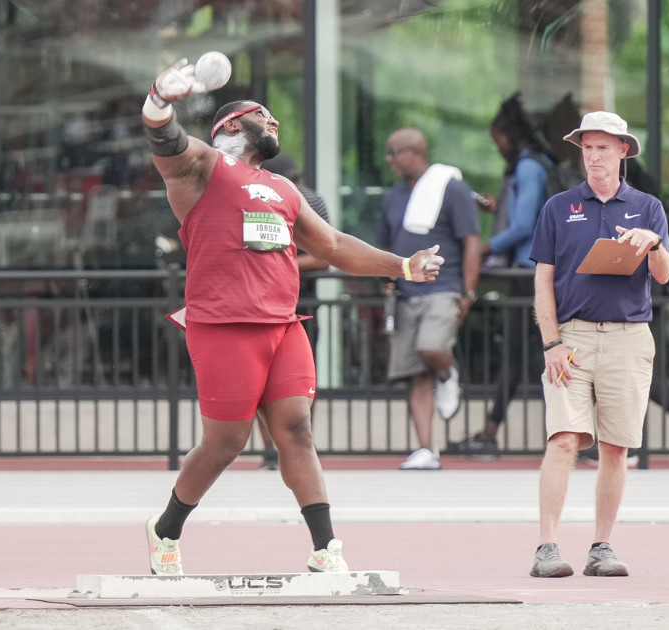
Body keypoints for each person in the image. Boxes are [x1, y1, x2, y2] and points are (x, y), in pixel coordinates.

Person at [141, 57, 445, 576]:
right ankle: (166, 527)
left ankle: (326, 547)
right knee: (227, 443)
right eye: (267, 115)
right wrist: (158, 102)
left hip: (283, 325)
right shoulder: (205, 166)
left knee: (297, 431)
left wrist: (403, 266)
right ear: (232, 124)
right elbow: (167, 144)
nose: (276, 123)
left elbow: (331, 244)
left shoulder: (283, 189)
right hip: (223, 325)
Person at [528, 111, 669, 578]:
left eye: (603, 147)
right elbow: (542, 282)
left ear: (623, 151)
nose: (593, 156)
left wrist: (653, 243)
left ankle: (601, 546)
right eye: (587, 147)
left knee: (615, 447)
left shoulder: (649, 206)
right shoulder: (558, 207)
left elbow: (665, 275)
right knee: (564, 439)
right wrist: (551, 342)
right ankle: (546, 546)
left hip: (630, 336)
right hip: (571, 336)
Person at [450, 93, 552, 460]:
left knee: (538, 357)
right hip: (528, 273)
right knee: (523, 356)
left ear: (509, 136)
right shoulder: (531, 166)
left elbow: (524, 224)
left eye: (498, 142)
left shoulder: (528, 168)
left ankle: (562, 435)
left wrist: (484, 247)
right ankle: (492, 431)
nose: (498, 150)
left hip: (530, 275)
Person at [377, 128, 481, 471]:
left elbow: (471, 242)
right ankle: (426, 450)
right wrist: (387, 279)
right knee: (416, 374)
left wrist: (468, 291)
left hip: (443, 287)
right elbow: (386, 248)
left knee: (430, 348)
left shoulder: (451, 188)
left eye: (394, 153)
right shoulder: (392, 197)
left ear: (415, 152)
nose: (389, 160)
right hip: (407, 292)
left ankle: (448, 374)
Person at [253, 153, 331, 471]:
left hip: (301, 302)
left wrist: (283, 265)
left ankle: (297, 446)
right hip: (262, 302)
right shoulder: (255, 198)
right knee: (259, 380)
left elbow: (324, 256)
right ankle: (271, 451)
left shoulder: (311, 200)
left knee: (299, 382)